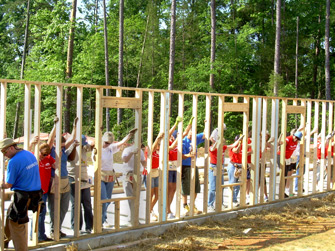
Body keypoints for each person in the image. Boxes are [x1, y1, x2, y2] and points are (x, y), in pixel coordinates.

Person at [0, 138, 42, 251]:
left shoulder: (13, 162)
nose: (5, 155)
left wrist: (1, 185)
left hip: (23, 197)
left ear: (12, 147)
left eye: (5, 152)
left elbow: (8, 184)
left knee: (18, 226)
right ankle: (4, 241)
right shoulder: (28, 154)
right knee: (10, 213)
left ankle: (21, 249)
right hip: (35, 195)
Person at [92, 128, 137, 226]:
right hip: (101, 175)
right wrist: (95, 155)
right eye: (106, 142)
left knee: (108, 199)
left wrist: (129, 135)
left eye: (109, 143)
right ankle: (100, 221)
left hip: (110, 175)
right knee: (103, 199)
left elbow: (121, 143)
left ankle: (103, 217)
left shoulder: (110, 148)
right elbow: (94, 159)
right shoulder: (97, 149)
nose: (107, 144)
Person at [48, 117, 78, 239]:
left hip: (65, 180)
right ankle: (53, 230)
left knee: (64, 207)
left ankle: (58, 229)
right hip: (54, 180)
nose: (62, 145)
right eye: (59, 144)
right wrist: (55, 127)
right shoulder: (51, 150)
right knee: (54, 207)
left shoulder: (63, 150)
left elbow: (71, 140)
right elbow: (49, 140)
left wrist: (75, 126)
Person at [29, 137, 56, 242]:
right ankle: (36, 236)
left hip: (45, 190)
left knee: (42, 213)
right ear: (38, 151)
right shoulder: (34, 158)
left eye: (46, 154)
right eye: (43, 154)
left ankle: (40, 235)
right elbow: (26, 152)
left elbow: (56, 165)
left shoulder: (48, 158)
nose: (45, 156)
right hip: (36, 190)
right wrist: (31, 144)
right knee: (39, 212)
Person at [67, 135, 94, 234]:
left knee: (87, 203)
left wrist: (89, 138)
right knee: (76, 204)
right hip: (73, 178)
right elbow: (70, 157)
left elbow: (93, 145)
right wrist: (74, 145)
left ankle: (89, 227)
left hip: (84, 179)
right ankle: (76, 227)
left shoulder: (84, 148)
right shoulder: (71, 149)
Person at [181, 117, 205, 216]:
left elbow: (204, 135)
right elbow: (180, 156)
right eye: (190, 133)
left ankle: (192, 205)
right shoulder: (183, 141)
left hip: (193, 165)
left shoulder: (195, 138)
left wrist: (206, 123)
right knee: (186, 187)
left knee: (196, 187)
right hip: (185, 166)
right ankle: (185, 205)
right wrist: (188, 155)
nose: (191, 135)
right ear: (187, 133)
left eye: (193, 133)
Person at [121, 142, 147, 223]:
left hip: (137, 173)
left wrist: (146, 158)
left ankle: (135, 218)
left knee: (136, 197)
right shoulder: (127, 150)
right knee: (130, 196)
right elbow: (125, 160)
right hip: (128, 173)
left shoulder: (141, 151)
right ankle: (131, 218)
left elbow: (144, 163)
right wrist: (132, 152)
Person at [277, 130, 302, 197]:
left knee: (286, 175)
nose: (296, 139)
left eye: (298, 139)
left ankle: (283, 191)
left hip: (287, 158)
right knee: (283, 173)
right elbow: (283, 145)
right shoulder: (288, 139)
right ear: (294, 135)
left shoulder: (296, 142)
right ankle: (281, 192)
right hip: (281, 156)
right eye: (296, 137)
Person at [149, 132, 164, 221]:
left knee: (157, 195)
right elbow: (153, 148)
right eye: (157, 144)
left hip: (156, 172)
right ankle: (150, 211)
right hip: (150, 173)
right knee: (150, 194)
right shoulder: (151, 150)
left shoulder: (159, 151)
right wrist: (158, 138)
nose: (158, 146)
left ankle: (150, 209)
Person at [227, 134, 245, 207]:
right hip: (233, 166)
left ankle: (234, 199)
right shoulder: (233, 146)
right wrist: (239, 144)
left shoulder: (243, 147)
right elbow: (236, 151)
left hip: (240, 166)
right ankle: (232, 200)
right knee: (232, 183)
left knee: (238, 185)